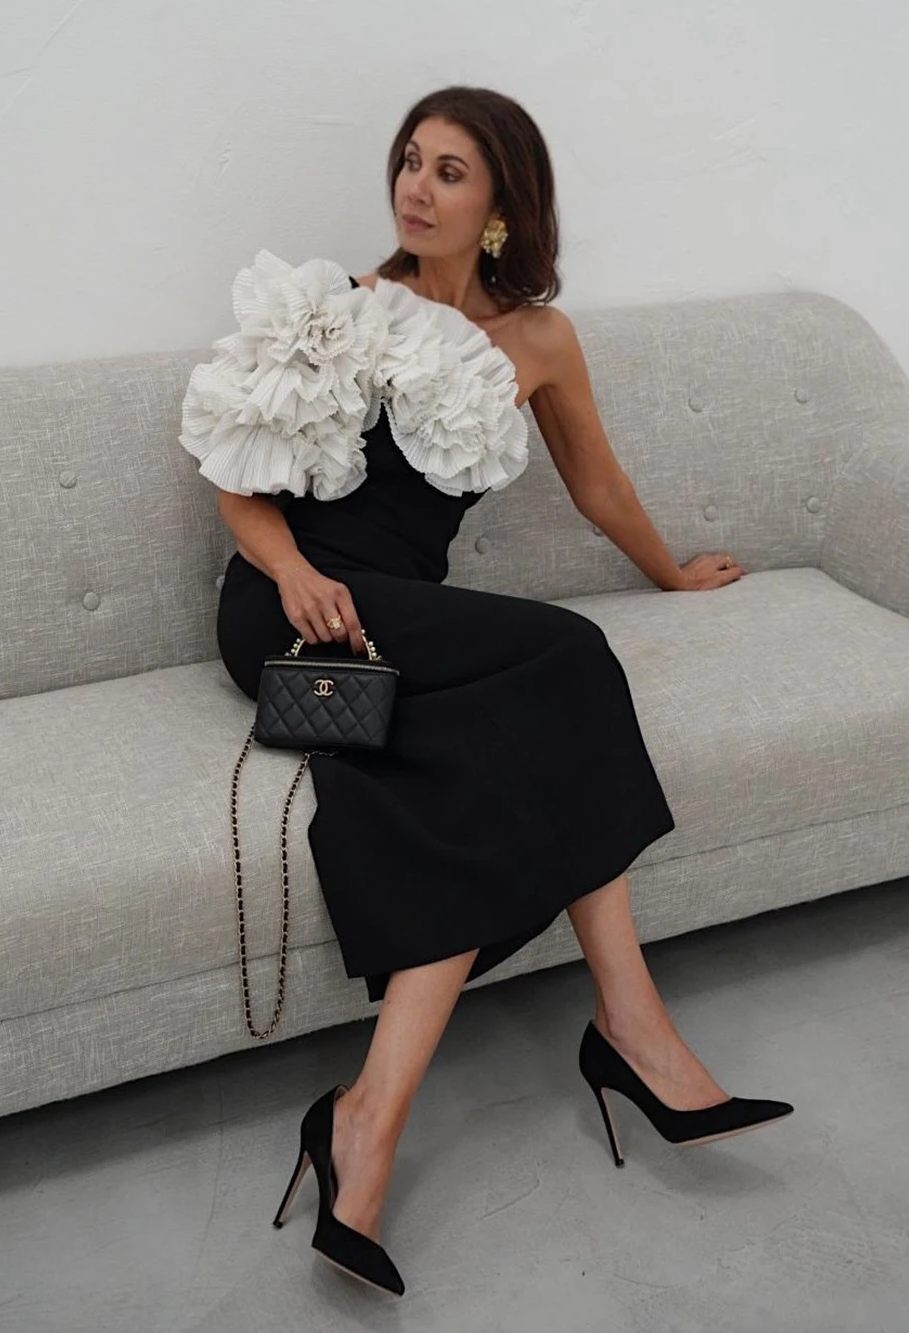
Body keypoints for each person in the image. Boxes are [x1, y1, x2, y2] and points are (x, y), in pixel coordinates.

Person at [179, 85, 793, 1297]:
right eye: (410, 161)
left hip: (402, 631)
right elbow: (233, 481)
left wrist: (668, 571)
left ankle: (364, 1121)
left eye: (449, 170)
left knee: (465, 775)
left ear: (502, 204)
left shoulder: (539, 341)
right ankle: (633, 1033)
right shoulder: (339, 306)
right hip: (291, 613)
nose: (415, 187)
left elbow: (597, 485)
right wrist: (293, 572)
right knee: (567, 659)